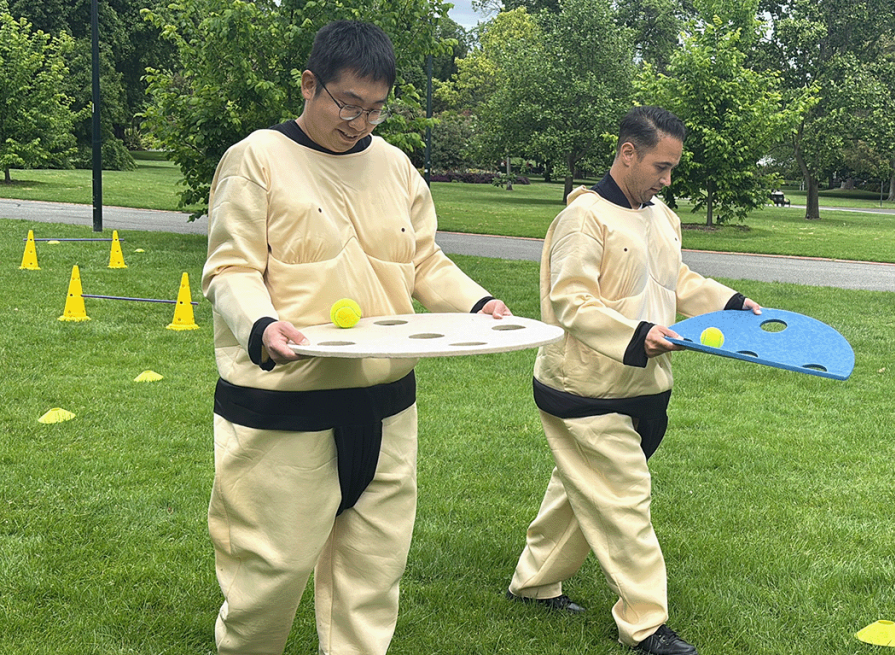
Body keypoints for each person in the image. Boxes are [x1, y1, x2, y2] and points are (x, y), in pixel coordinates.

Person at [201, 19, 510, 655]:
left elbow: (425, 261)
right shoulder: (256, 158)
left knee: (373, 567)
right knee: (271, 569)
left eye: (375, 109)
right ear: (310, 84)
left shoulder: (395, 165)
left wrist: (478, 302)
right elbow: (231, 268)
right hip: (286, 401)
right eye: (348, 103)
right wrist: (260, 325)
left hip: (386, 401)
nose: (360, 121)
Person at [505, 106, 761, 655]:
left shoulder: (662, 216)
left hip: (646, 385)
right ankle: (646, 625)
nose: (667, 180)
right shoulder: (583, 218)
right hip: (582, 387)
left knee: (579, 492)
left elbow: (677, 280)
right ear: (627, 154)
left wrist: (731, 304)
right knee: (624, 499)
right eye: (661, 167)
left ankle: (533, 581)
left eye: (672, 169)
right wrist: (636, 333)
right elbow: (569, 300)